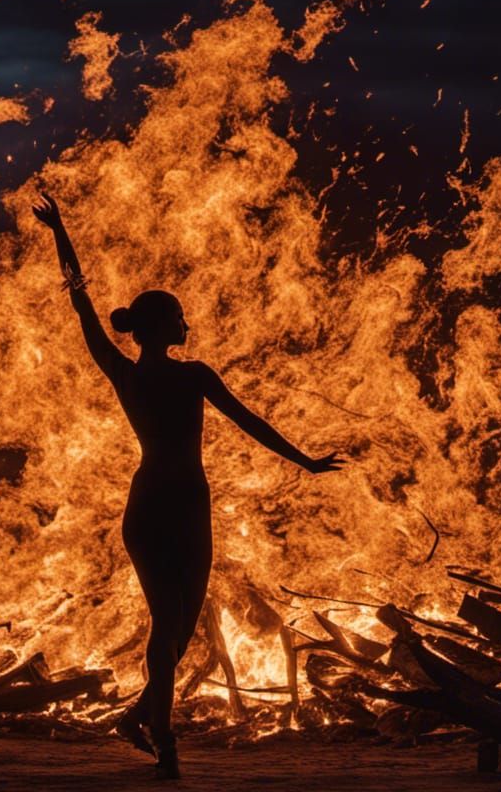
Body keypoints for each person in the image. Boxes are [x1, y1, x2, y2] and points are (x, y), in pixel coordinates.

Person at [32, 193, 343, 779]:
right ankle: (164, 738)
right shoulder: (180, 374)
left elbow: (81, 302)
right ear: (159, 325)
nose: (187, 323)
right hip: (172, 508)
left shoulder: (135, 373)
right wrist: (60, 232)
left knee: (174, 632)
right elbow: (249, 421)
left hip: (162, 506)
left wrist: (304, 461)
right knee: (168, 625)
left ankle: (139, 720)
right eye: (178, 316)